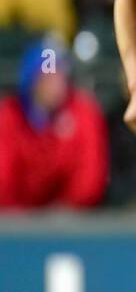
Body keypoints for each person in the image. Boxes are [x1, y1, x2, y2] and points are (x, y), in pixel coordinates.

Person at [0, 41, 108, 210]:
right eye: (47, 76)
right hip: (16, 223)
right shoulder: (10, 116)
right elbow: (4, 180)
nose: (56, 84)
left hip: (69, 222)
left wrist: (64, 210)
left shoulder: (82, 112)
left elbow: (89, 179)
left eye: (60, 74)